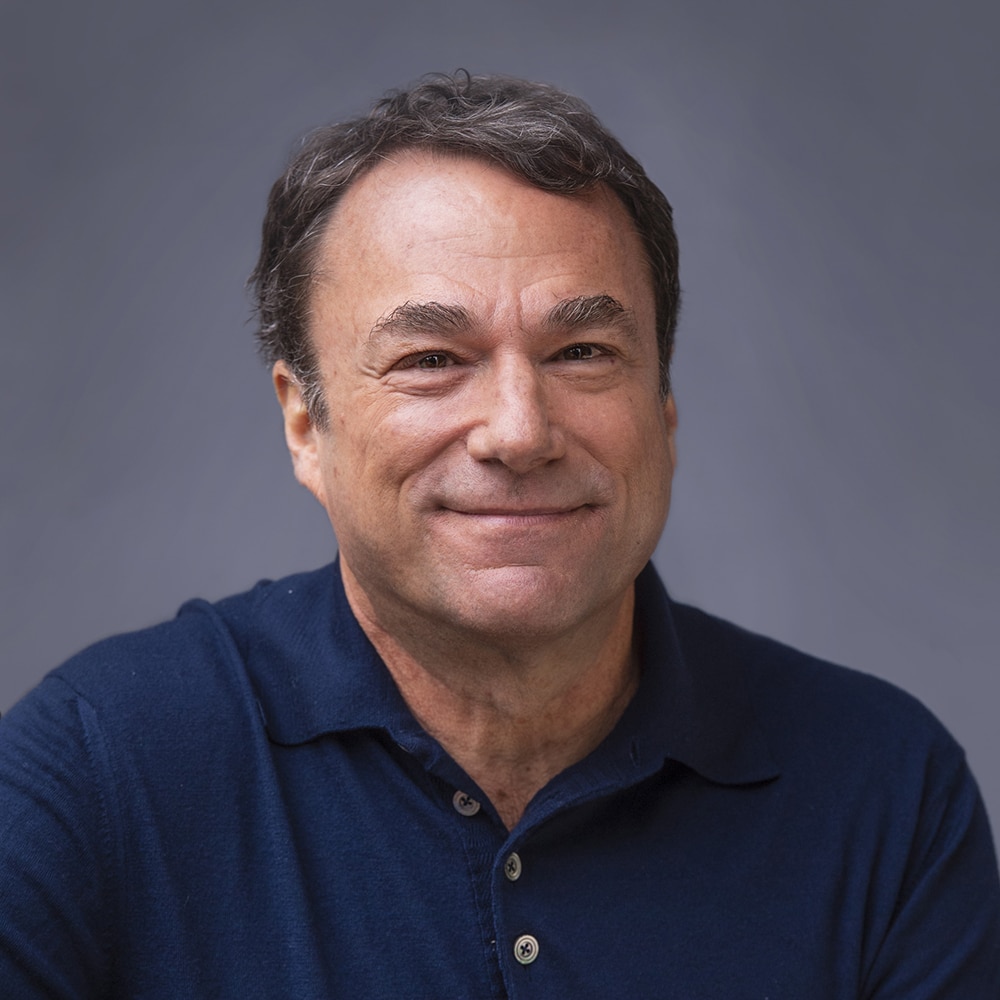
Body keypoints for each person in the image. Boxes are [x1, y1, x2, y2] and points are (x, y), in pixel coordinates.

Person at [1, 72, 997, 998]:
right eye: (433, 357)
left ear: (664, 410)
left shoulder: (882, 789)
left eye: (581, 351)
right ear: (306, 424)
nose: (519, 430)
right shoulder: (95, 771)